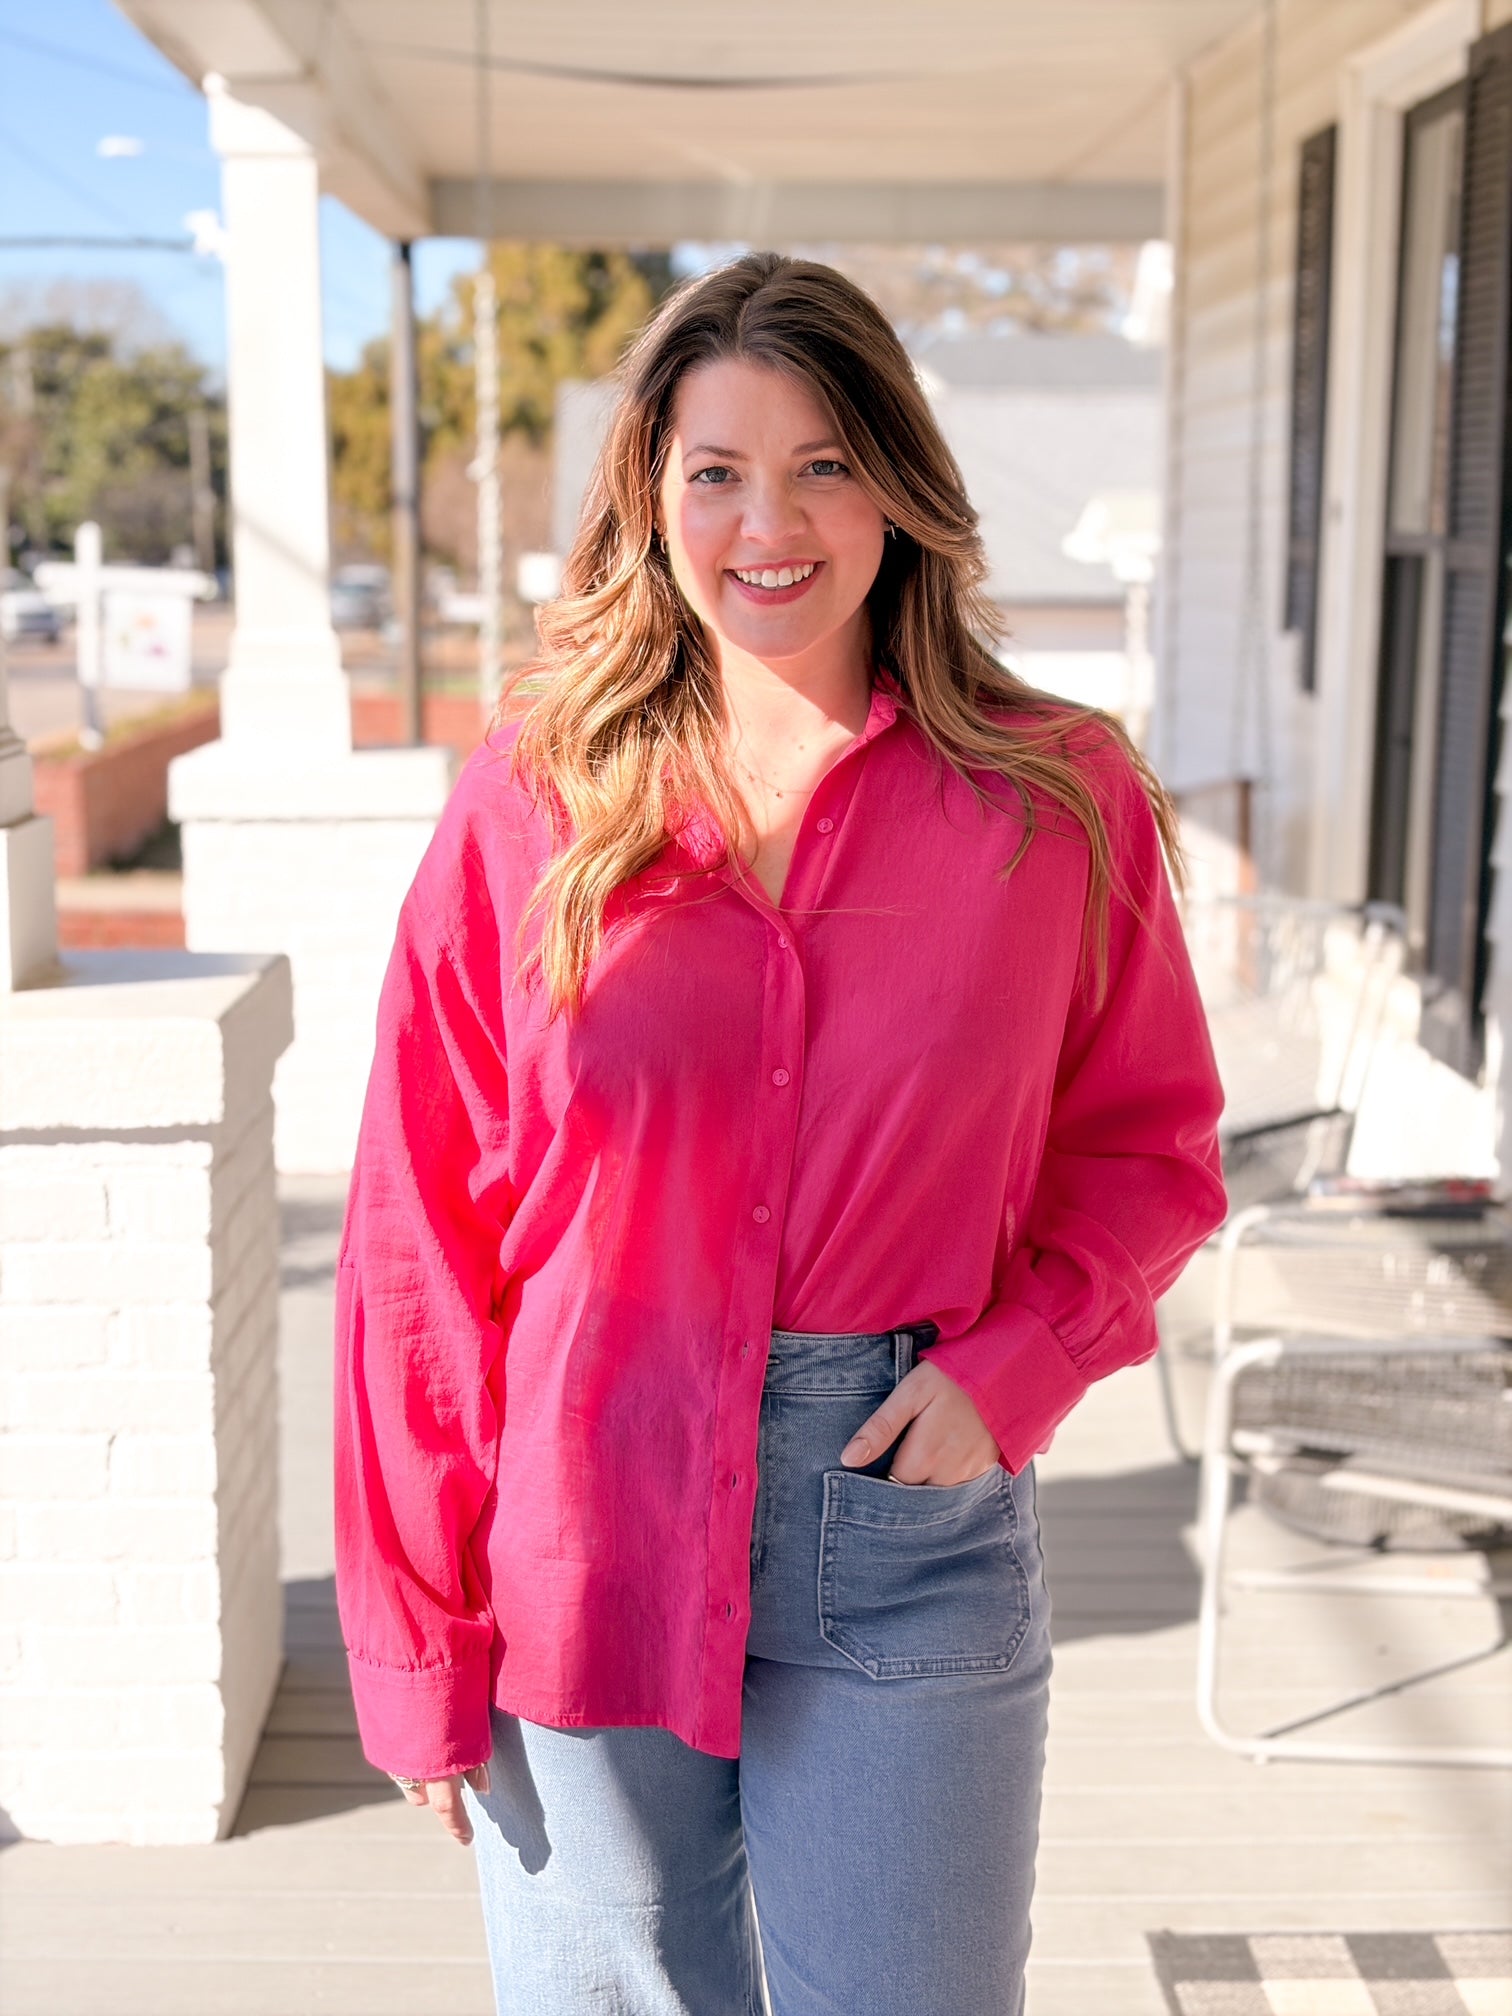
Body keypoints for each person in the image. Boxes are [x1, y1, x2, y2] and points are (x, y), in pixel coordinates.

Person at [332, 250, 1228, 2016]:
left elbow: (1151, 1149)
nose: (772, 520)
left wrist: (1019, 1367)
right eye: (716, 469)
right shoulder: (532, 792)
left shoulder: (1054, 798)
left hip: (900, 1494)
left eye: (823, 463)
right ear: (651, 502)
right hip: (583, 1494)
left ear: (897, 487)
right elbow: (418, 1234)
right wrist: (419, 1634)